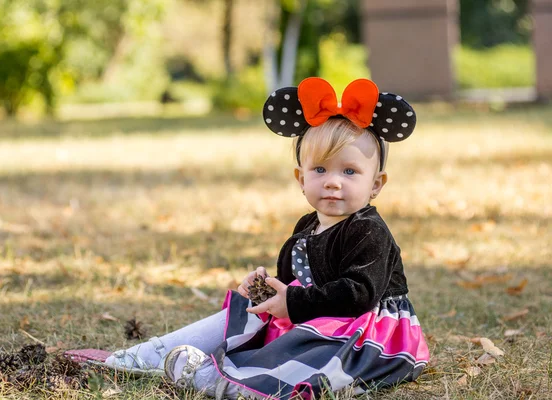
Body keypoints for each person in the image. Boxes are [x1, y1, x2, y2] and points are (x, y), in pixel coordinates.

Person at [102, 77, 430, 399]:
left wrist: (293, 302)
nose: (332, 182)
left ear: (376, 184)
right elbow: (296, 282)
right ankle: (156, 352)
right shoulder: (308, 223)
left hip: (364, 330)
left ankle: (229, 380)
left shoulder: (368, 229)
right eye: (320, 170)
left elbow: (359, 294)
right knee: (247, 313)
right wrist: (268, 291)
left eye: (349, 171)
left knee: (316, 356)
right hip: (318, 310)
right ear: (300, 178)